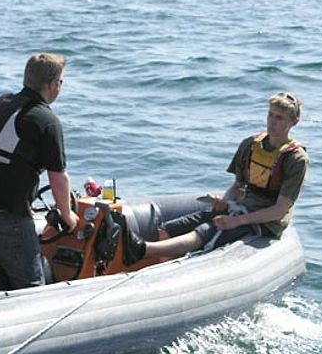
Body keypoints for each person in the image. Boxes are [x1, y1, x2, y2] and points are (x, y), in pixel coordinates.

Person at [120, 92, 310, 265]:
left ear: (294, 122)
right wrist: (225, 202)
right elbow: (237, 187)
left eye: (279, 118)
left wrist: (238, 221)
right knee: (168, 230)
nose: (272, 122)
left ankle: (142, 249)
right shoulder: (251, 144)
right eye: (270, 115)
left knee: (203, 232)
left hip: (264, 222)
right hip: (239, 208)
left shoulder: (296, 158)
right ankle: (154, 265)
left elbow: (279, 210)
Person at [0, 53, 79, 289]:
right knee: (31, 288)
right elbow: (58, 177)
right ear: (53, 85)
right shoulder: (46, 120)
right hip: (7, 216)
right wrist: (67, 215)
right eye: (61, 82)